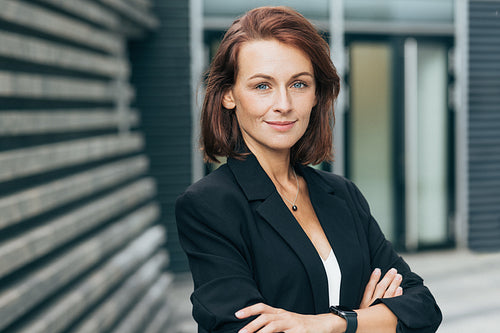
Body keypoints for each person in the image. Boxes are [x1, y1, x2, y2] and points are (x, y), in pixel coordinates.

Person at [176, 6, 442, 333]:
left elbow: (423, 307)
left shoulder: (342, 195)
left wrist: (332, 324)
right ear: (229, 95)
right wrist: (369, 322)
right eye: (262, 86)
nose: (284, 104)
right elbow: (244, 329)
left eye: (299, 84)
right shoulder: (209, 205)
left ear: (317, 94)